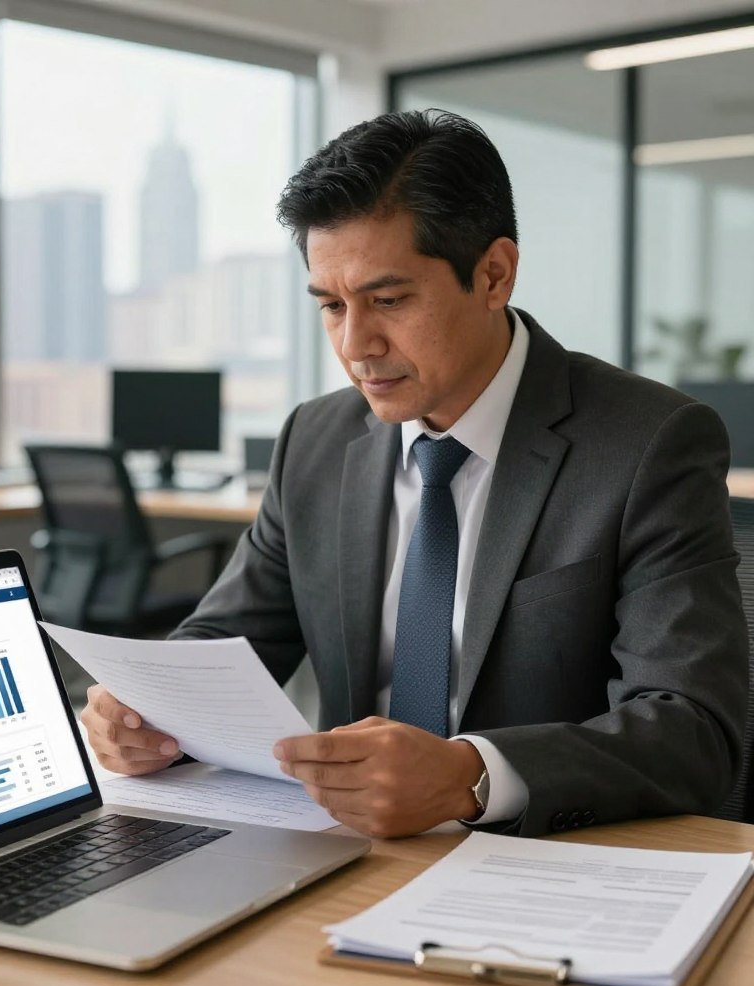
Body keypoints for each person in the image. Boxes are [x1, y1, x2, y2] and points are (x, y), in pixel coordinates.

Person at [81, 109, 748, 838]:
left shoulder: (647, 442)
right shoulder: (315, 439)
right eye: (331, 306)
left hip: (548, 857)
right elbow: (226, 641)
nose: (356, 344)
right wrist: (145, 710)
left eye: (388, 301)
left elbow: (694, 733)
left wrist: (472, 775)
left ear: (494, 274)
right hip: (346, 854)